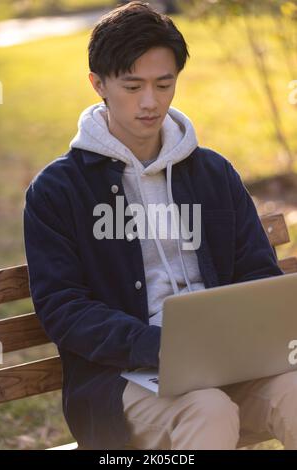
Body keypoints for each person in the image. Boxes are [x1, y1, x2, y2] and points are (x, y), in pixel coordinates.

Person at [23, 1, 297, 450]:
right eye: (133, 86)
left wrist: (247, 338)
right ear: (98, 84)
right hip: (123, 378)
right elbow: (63, 307)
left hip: (228, 362)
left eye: (163, 84)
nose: (150, 102)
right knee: (207, 409)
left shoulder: (212, 173)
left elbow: (257, 272)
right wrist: (157, 345)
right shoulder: (58, 190)